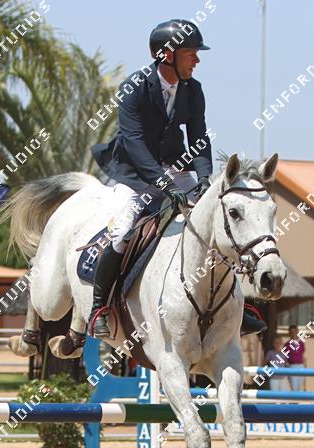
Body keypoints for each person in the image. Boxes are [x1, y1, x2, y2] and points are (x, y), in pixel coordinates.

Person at [87, 18, 265, 339]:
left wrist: (204, 177)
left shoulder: (193, 90)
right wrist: (163, 184)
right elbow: (134, 143)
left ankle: (237, 306)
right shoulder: (135, 87)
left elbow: (199, 137)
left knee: (217, 220)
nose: (196, 60)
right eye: (191, 53)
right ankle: (99, 308)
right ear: (167, 55)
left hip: (175, 169)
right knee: (122, 231)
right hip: (135, 174)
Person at [284, 325, 306, 392]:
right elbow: (285, 357)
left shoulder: (301, 343)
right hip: (292, 366)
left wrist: (304, 365)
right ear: (289, 333)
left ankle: (299, 398)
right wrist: (286, 367)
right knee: (294, 387)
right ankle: (294, 399)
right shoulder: (287, 344)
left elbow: (302, 354)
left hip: (301, 366)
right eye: (292, 332)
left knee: (300, 387)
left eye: (295, 332)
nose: (293, 334)